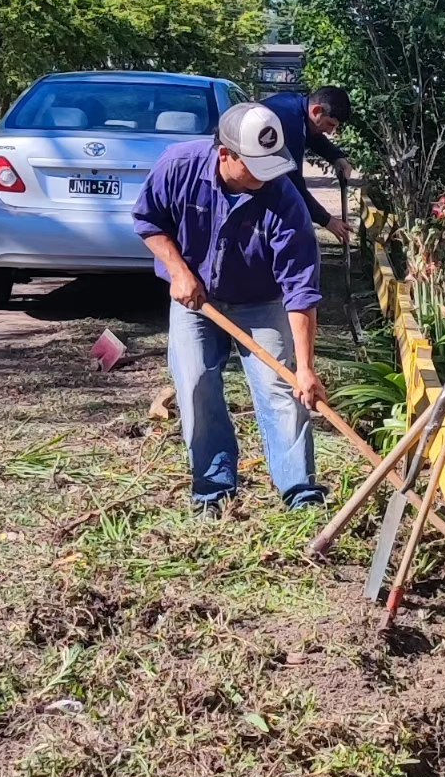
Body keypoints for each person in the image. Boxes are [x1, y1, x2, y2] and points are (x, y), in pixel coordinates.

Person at [133, 102, 328, 511]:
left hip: (262, 301)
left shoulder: (283, 199)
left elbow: (300, 289)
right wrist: (179, 272)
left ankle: (300, 491)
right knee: (196, 381)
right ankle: (213, 487)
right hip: (196, 300)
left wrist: (306, 368)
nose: (266, 174)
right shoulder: (179, 167)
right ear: (226, 154)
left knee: (282, 389)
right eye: (255, 165)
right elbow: (149, 221)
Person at [261, 85, 354, 243]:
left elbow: (312, 135)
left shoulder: (296, 106)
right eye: (330, 124)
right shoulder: (288, 124)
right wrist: (327, 220)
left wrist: (337, 157)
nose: (331, 132)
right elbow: (293, 185)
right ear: (317, 111)